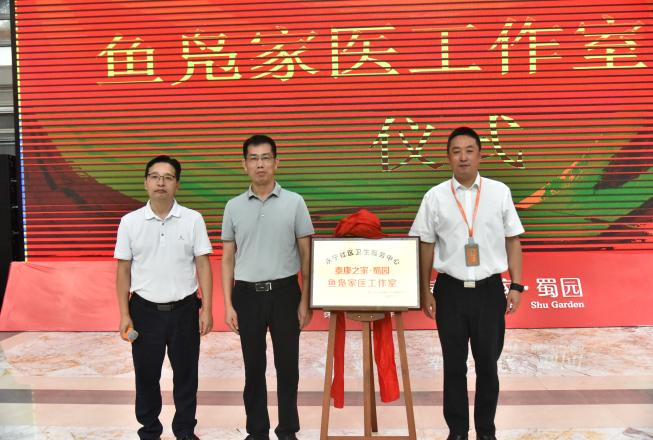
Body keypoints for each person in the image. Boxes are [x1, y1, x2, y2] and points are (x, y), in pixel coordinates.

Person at [409, 127, 525, 440]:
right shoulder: (435, 197)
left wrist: (516, 285)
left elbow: (513, 239)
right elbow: (425, 245)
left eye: (469, 150)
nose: (463, 157)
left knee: (488, 364)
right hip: (449, 291)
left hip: (489, 291)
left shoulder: (499, 192)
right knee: (453, 365)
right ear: (448, 157)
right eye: (456, 151)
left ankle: (486, 431)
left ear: (480, 155)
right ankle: (457, 430)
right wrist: (424, 290)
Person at [221, 134, 314, 440]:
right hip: (246, 295)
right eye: (253, 158)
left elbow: (306, 255)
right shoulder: (233, 206)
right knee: (253, 368)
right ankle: (257, 431)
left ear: (276, 162)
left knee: (288, 368)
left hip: (286, 294)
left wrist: (305, 300)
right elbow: (227, 258)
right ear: (244, 164)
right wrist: (228, 304)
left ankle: (287, 430)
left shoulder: (295, 202)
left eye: (265, 158)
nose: (260, 164)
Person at [115, 155, 213, 440]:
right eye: (155, 177)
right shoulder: (130, 222)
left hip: (184, 310)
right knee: (146, 376)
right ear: (146, 182)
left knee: (186, 375)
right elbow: (123, 270)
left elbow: (203, 265)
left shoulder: (192, 219)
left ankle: (185, 430)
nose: (161, 183)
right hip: (144, 311)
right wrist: (124, 314)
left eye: (168, 177)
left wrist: (207, 308)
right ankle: (149, 431)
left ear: (176, 184)